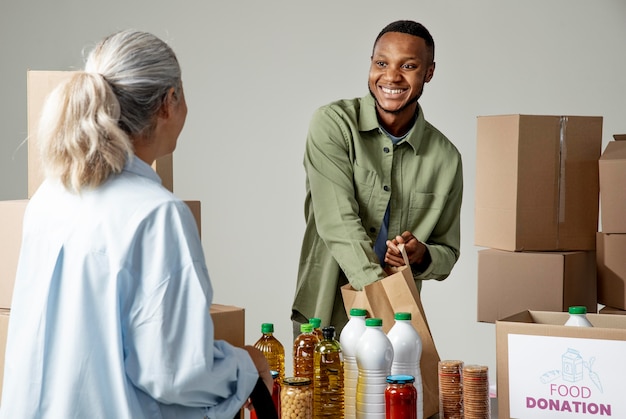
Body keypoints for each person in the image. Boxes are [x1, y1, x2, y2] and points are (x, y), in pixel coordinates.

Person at [0, 29, 273, 419]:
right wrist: (247, 367)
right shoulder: (157, 214)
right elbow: (176, 375)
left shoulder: (51, 196)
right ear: (169, 102)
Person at [291, 20, 463, 337]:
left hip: (397, 322)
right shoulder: (333, 124)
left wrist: (422, 254)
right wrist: (384, 299)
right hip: (325, 313)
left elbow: (448, 252)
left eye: (408, 65)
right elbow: (336, 220)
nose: (391, 76)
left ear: (429, 72)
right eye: (381, 63)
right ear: (371, 65)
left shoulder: (446, 159)